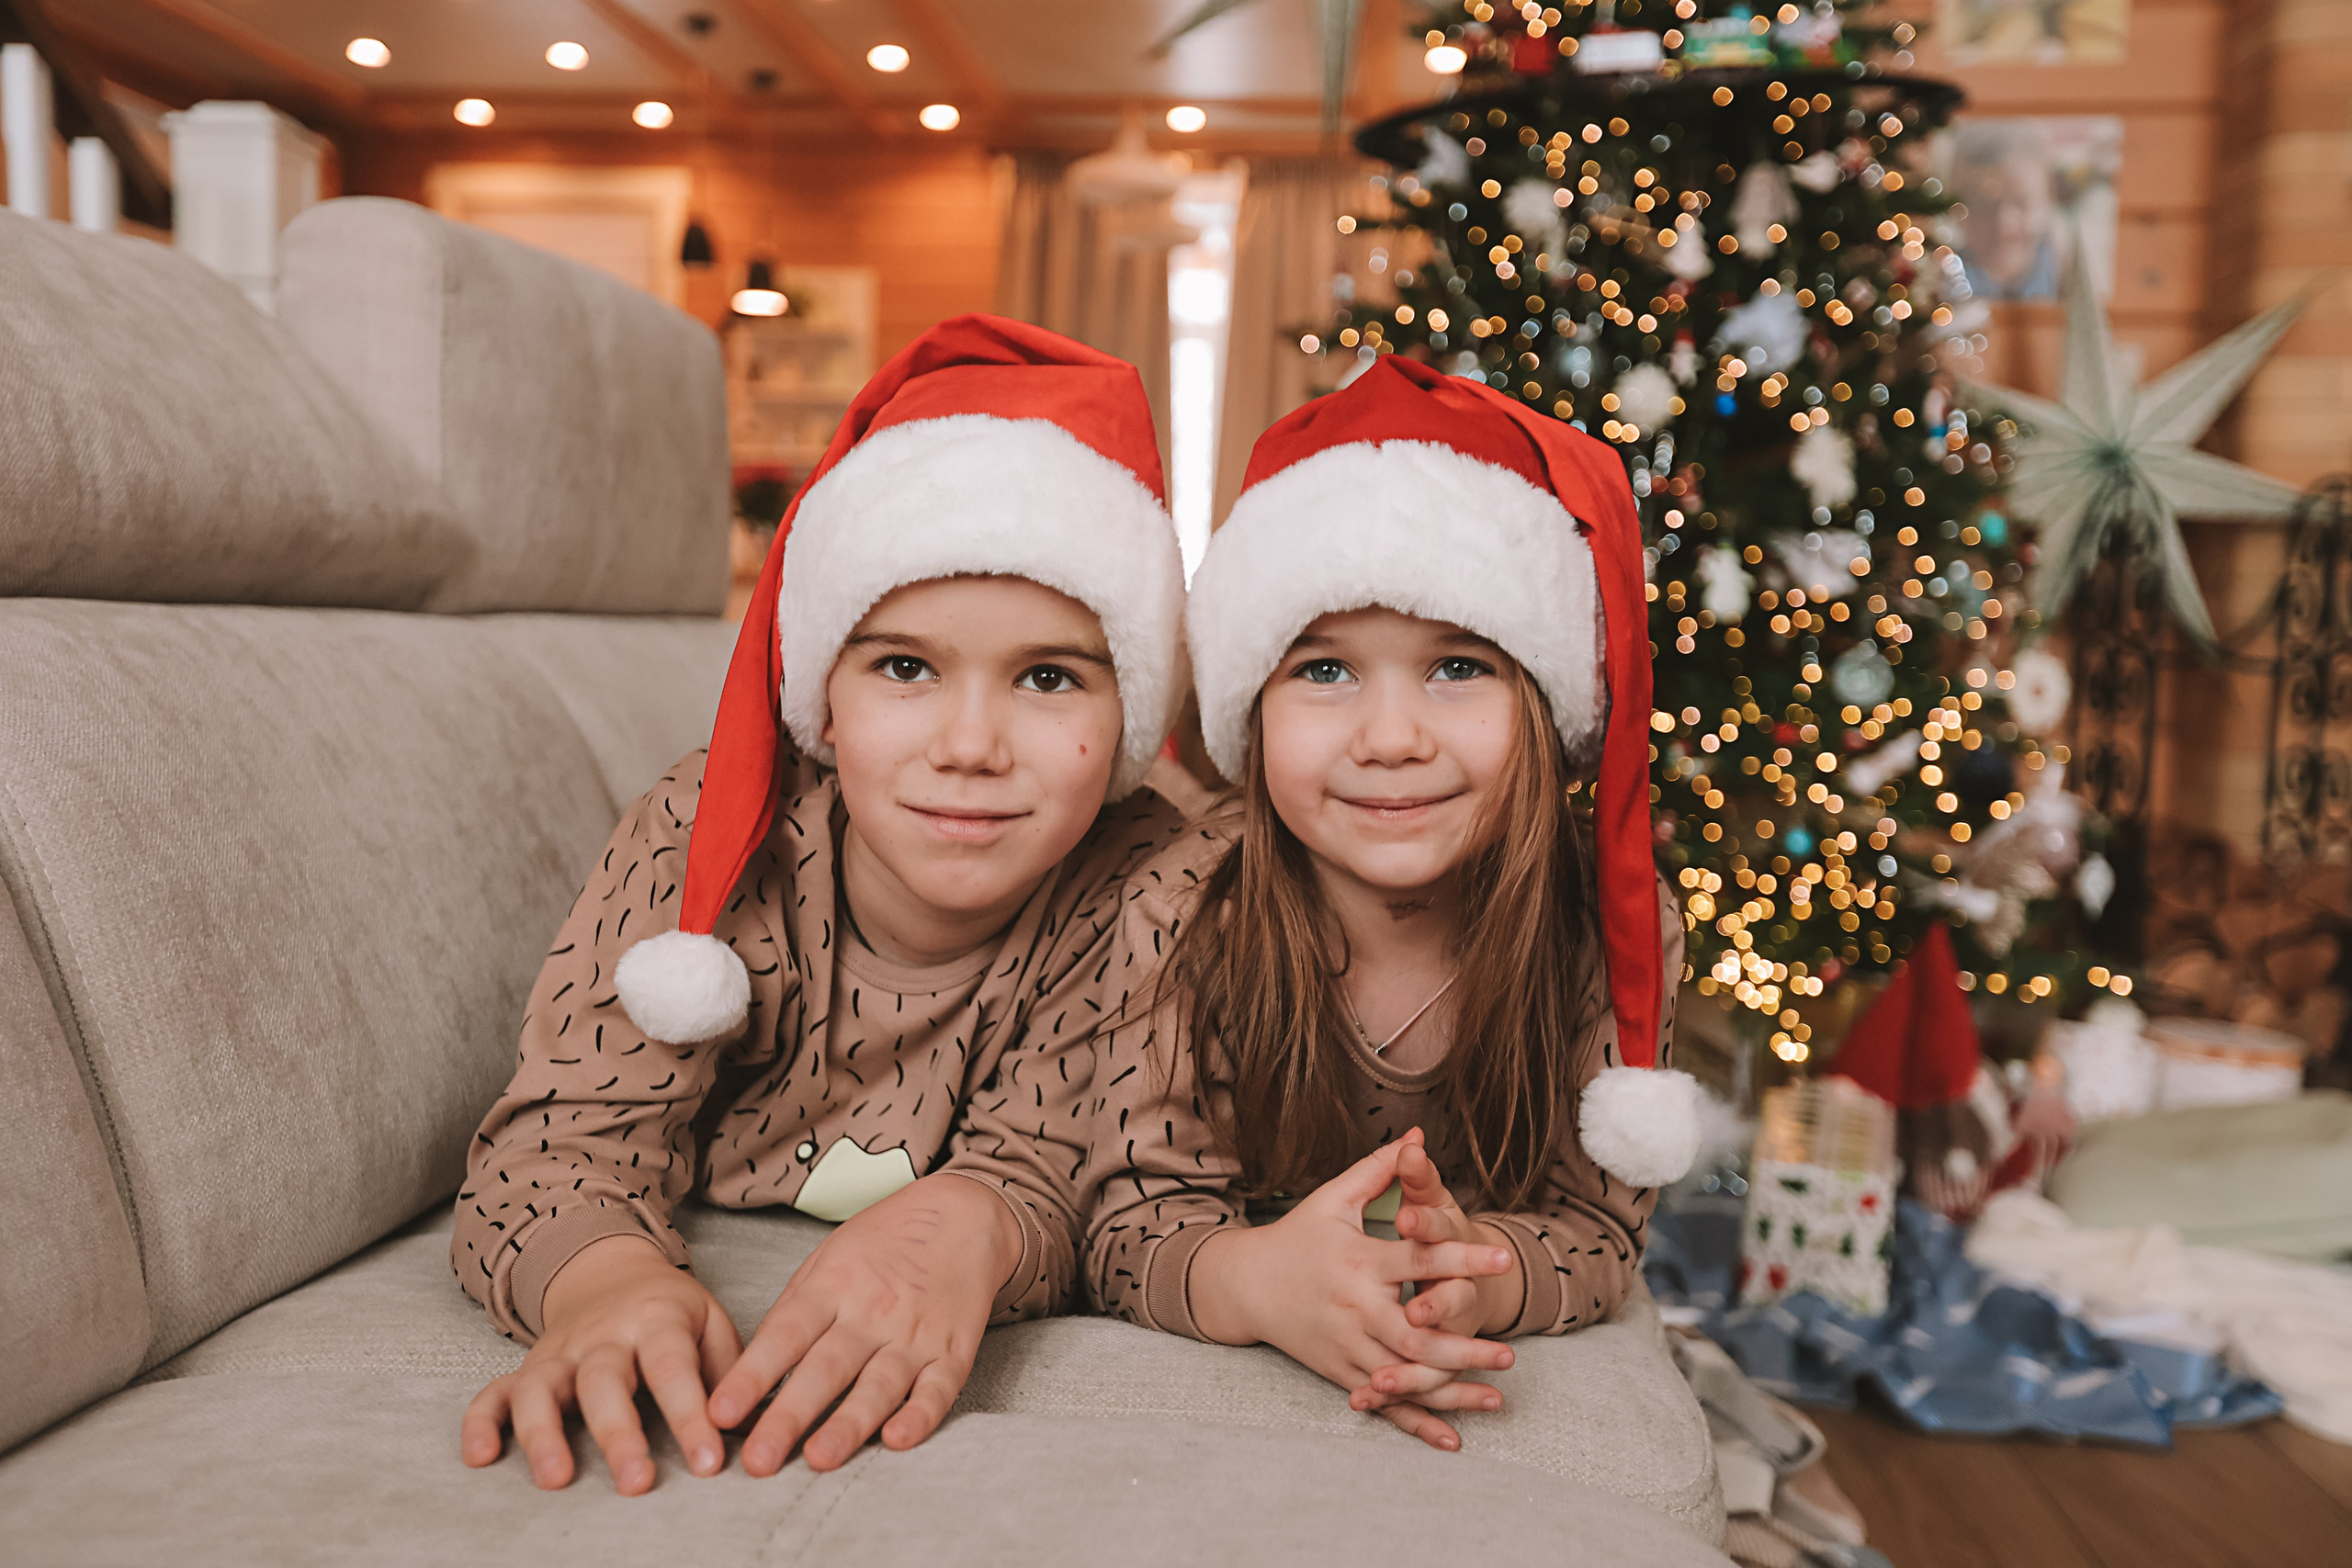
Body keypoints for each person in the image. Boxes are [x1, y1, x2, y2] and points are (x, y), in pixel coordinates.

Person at [452, 316, 1194, 1494]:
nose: (969, 746)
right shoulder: (709, 846)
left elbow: (1081, 1172)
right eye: (905, 668)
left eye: (1048, 678)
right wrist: (606, 1283)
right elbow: (558, 1142)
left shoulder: (1153, 883)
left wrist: (975, 1224)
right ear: (823, 700)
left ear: (1128, 726)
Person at [1078, 355, 1703, 1450]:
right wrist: (1258, 1283)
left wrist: (1481, 1276)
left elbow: (1597, 1232)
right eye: (1324, 673)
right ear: (1250, 707)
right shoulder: (1186, 904)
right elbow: (1128, 1220)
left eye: (1458, 667)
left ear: (1545, 707)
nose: (1390, 738)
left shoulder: (1607, 933)